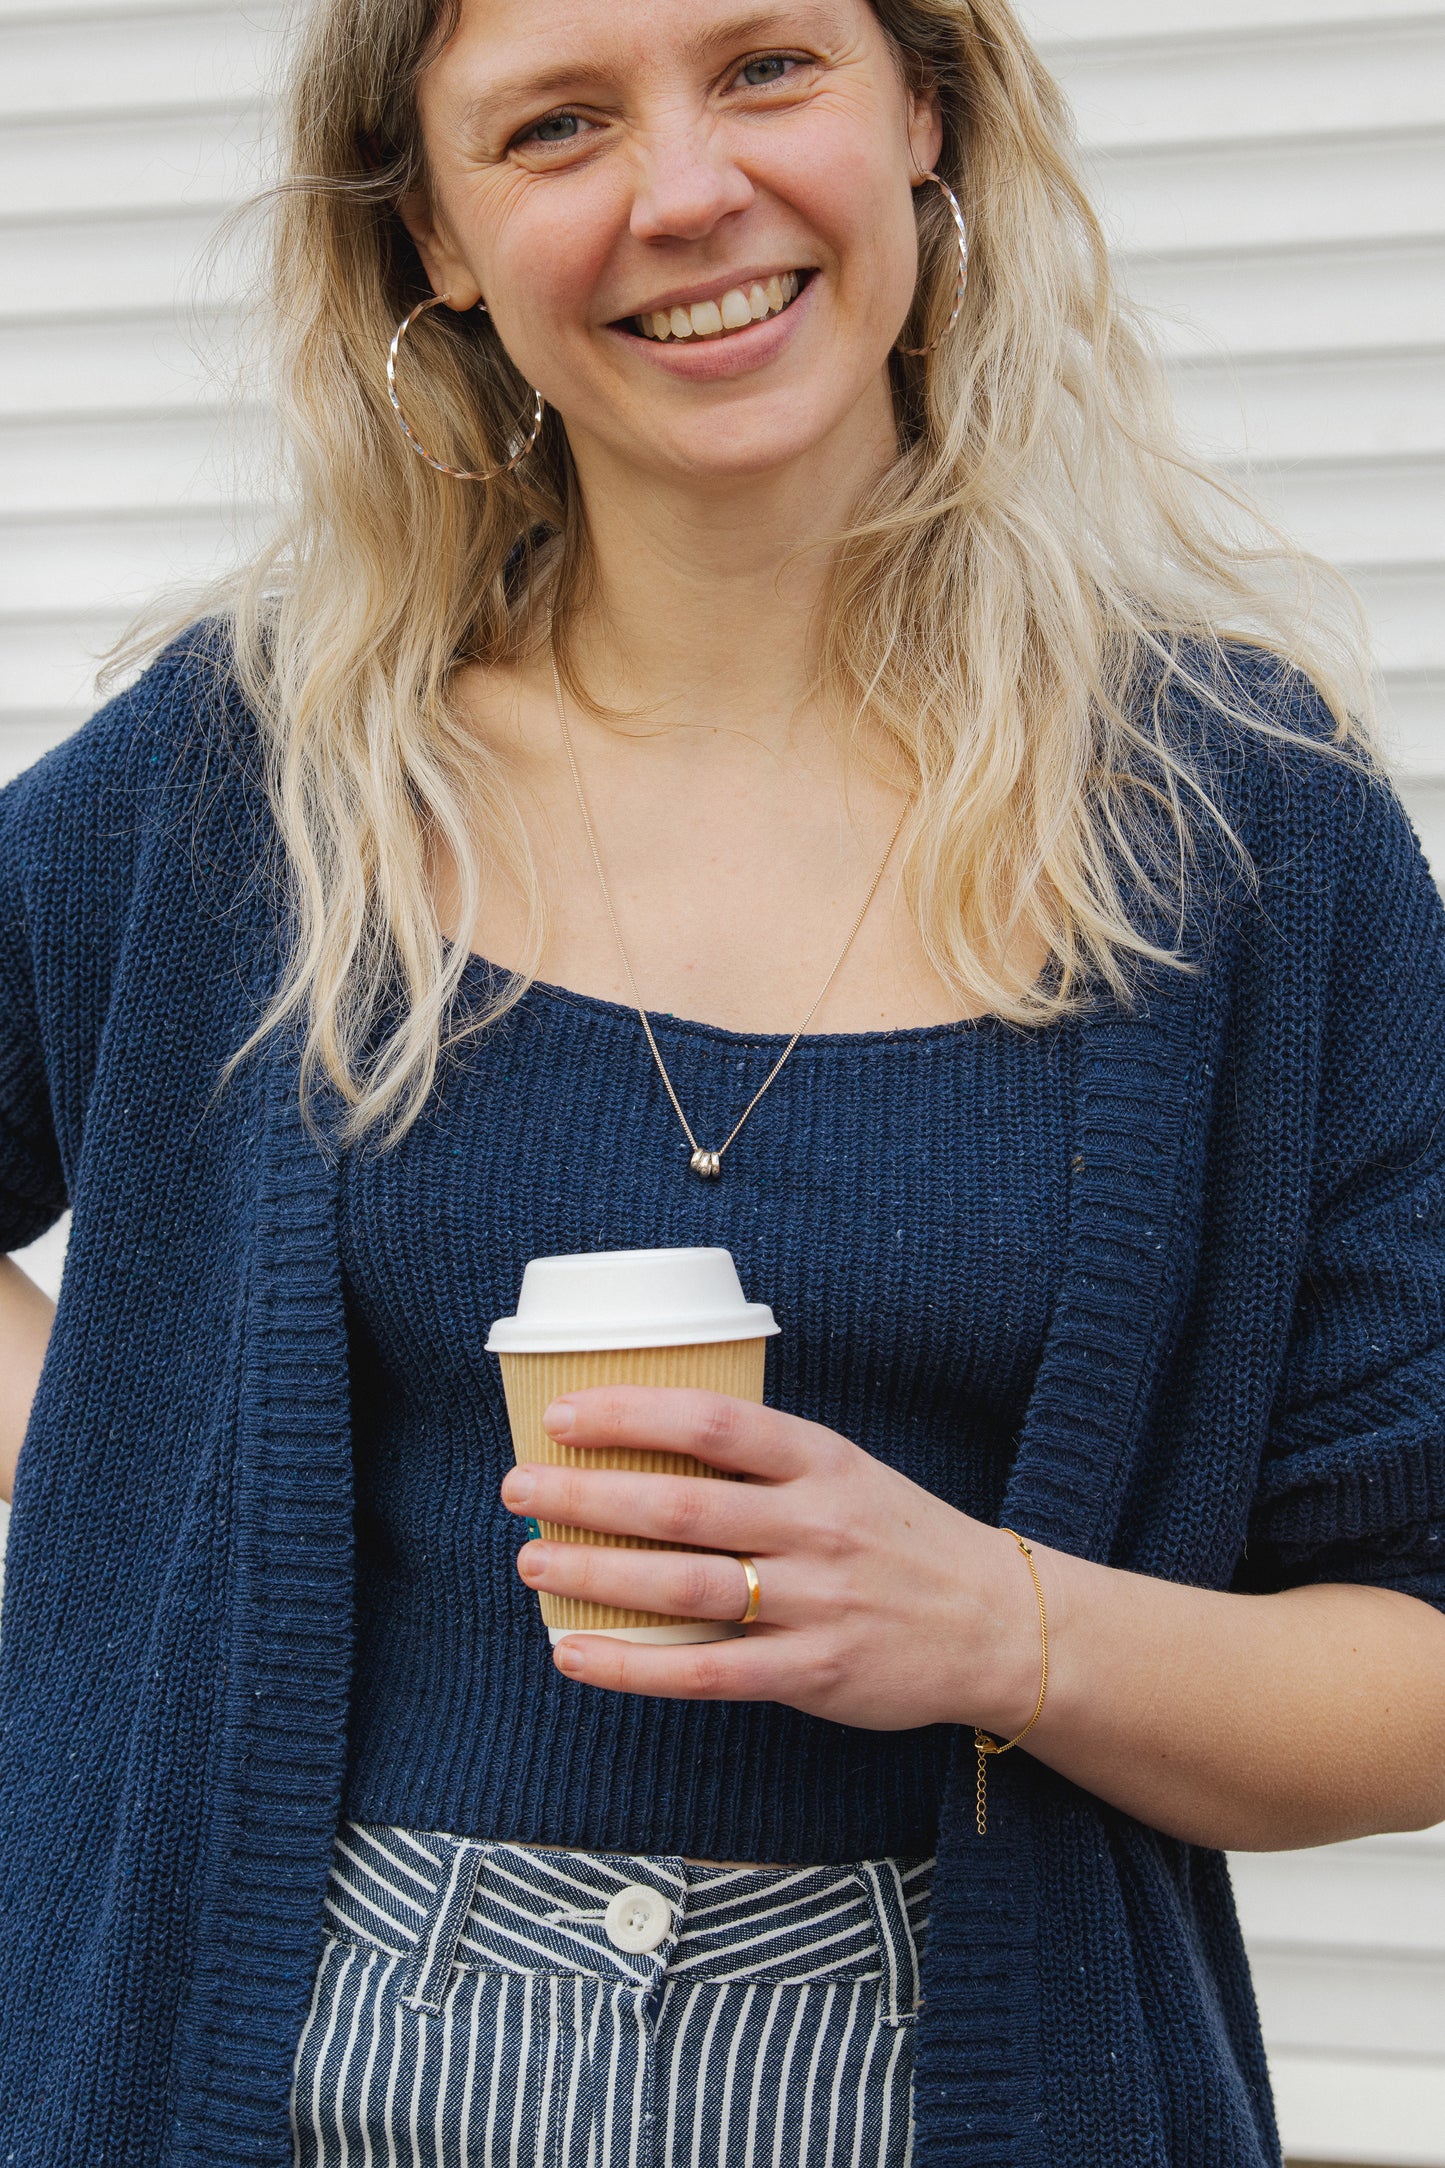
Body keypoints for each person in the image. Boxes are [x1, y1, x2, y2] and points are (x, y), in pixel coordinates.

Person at [1, 0, 1443, 2160]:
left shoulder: (1250, 830)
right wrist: (134, 1442)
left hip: (960, 2083)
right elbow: (147, 1435)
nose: (687, 192)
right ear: (439, 237)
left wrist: (1005, 1628)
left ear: (925, 109)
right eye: (556, 123)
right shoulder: (251, 780)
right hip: (267, 2071)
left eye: (767, 66)